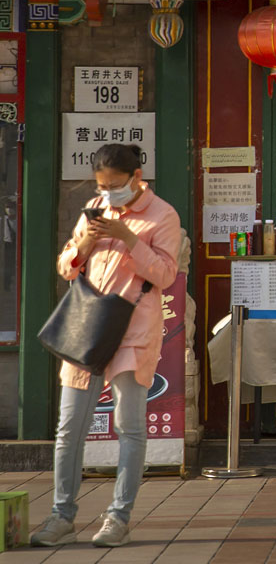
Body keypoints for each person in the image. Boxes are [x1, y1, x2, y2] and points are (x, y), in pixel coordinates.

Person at [31, 144, 181, 548]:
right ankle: (61, 516)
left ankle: (118, 518)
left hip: (134, 331)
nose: (109, 193)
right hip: (86, 328)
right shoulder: (95, 209)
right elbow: (66, 267)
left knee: (129, 427)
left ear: (137, 177)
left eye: (115, 185)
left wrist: (129, 238)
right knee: (68, 428)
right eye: (102, 186)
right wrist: (83, 245)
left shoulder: (163, 214)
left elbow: (166, 274)